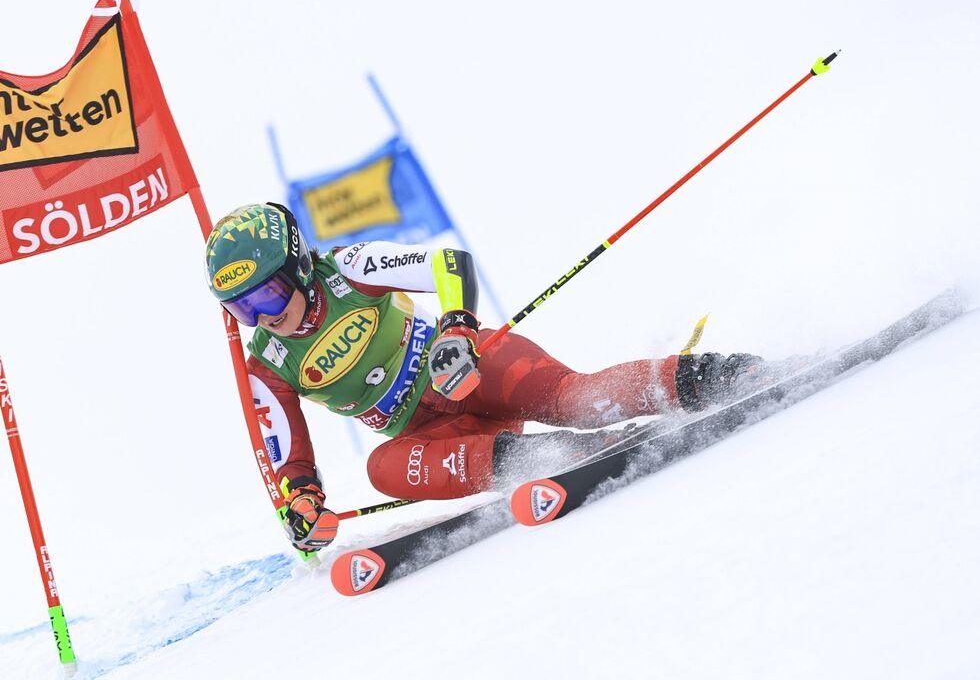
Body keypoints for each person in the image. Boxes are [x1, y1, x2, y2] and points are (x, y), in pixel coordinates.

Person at [205, 203, 760, 551]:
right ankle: (559, 457)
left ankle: (719, 376)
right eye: (242, 309)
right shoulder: (266, 363)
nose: (265, 315)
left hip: (470, 372)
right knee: (383, 468)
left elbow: (447, 264)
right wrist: (301, 506)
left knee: (578, 398)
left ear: (299, 265)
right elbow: (291, 461)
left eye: (269, 294)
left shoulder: (350, 267)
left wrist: (456, 331)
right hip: (443, 437)